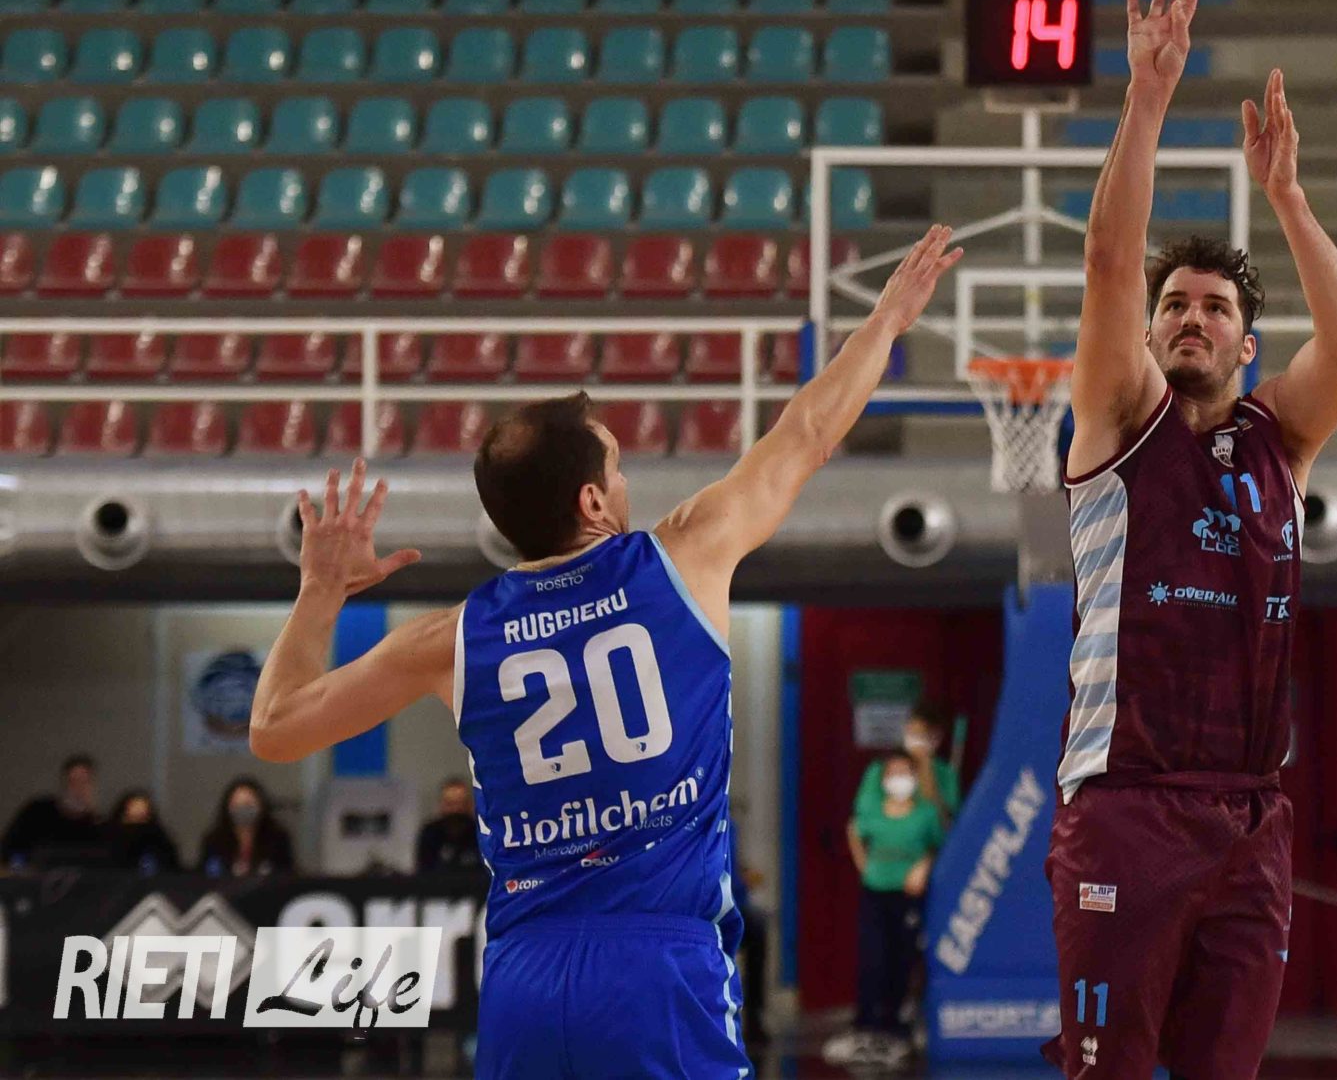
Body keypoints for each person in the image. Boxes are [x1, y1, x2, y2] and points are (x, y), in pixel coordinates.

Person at [246, 225, 960, 1080]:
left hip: (526, 973)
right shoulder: (683, 557)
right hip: (659, 963)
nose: (627, 481)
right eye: (617, 467)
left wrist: (320, 589)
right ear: (592, 501)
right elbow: (807, 429)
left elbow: (275, 728)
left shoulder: (449, 637)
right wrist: (885, 322)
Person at [1043, 0, 1337, 1080]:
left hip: (1249, 815)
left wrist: (1285, 194)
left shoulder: (1281, 437)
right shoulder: (1118, 421)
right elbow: (1106, 260)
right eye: (1174, 305)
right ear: (1147, 336)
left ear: (1245, 344)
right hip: (1125, 802)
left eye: (1216, 308)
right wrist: (1147, 95)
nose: (1192, 316)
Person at [828, 751, 947, 1069]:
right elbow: (854, 829)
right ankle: (866, 1027)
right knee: (873, 958)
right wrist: (863, 863)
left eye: (905, 772)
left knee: (902, 958)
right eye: (893, 773)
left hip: (908, 896)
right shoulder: (873, 810)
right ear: (883, 780)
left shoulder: (925, 814)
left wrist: (924, 866)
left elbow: (939, 845)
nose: (899, 779)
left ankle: (896, 1028)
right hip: (875, 892)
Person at [854, 698, 960, 826]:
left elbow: (946, 821)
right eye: (913, 732)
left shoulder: (946, 773)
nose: (917, 741)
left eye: (923, 735)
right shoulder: (880, 768)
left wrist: (926, 769)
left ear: (937, 739)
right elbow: (864, 812)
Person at [1, 754, 110, 869]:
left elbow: (108, 859)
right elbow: (9, 849)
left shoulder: (97, 823)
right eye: (72, 781)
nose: (78, 788)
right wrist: (21, 866)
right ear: (63, 784)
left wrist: (95, 816)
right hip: (35, 876)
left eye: (84, 782)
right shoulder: (38, 810)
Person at [197, 776, 296, 877]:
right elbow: (204, 876)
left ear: (261, 806)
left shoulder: (278, 839)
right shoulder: (214, 841)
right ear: (227, 808)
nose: (243, 809)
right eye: (237, 805)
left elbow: (288, 875)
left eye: (248, 804)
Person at [416, 776, 483, 871]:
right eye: (450, 804)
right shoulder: (430, 834)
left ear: (470, 805)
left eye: (461, 804)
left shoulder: (482, 834)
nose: (456, 810)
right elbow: (422, 872)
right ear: (442, 805)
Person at [107, 788, 181, 873]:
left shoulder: (161, 844)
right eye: (131, 818)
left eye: (142, 818)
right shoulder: (108, 842)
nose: (136, 825)